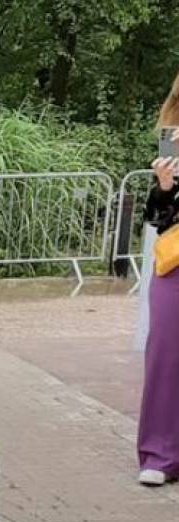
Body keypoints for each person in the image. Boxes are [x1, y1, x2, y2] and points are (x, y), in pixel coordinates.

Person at [137, 71, 179, 486]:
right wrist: (164, 188)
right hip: (176, 261)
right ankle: (159, 455)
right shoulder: (173, 137)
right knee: (165, 353)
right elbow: (158, 217)